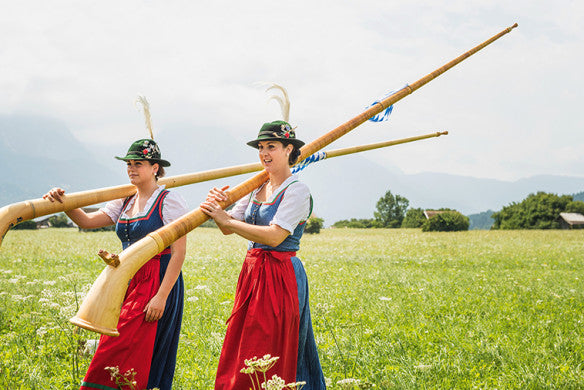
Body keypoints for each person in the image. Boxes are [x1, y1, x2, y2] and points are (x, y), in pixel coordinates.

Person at [43, 139, 187, 390]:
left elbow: (178, 253)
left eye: (138, 164)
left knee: (139, 349)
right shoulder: (124, 200)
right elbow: (87, 221)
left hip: (157, 279)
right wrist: (64, 203)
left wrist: (161, 297)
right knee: (115, 343)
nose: (131, 169)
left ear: (155, 168)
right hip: (127, 280)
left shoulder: (169, 201)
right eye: (129, 164)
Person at [200, 120, 326, 390]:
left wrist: (227, 220)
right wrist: (219, 204)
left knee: (272, 344)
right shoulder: (256, 187)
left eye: (272, 146)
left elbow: (275, 235)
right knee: (244, 342)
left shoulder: (297, 190)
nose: (264, 153)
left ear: (288, 149)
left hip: (281, 275)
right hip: (252, 273)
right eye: (260, 147)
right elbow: (226, 227)